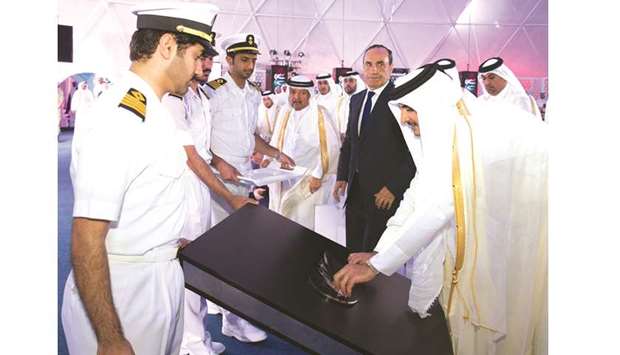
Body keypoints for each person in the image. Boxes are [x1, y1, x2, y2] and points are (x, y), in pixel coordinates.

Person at [333, 64, 548, 355]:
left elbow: (441, 205)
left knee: (500, 309)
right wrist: (379, 253)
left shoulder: (472, 133)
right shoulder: (449, 130)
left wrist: (377, 267)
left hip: (525, 226)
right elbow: (417, 194)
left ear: (430, 105)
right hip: (487, 224)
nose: (405, 118)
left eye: (409, 108)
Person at [62, 3, 221, 355]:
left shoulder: (156, 109)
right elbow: (87, 237)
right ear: (167, 46)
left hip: (159, 279)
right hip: (124, 294)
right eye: (196, 56)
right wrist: (109, 337)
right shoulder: (120, 116)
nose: (199, 69)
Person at [163, 50, 256, 355]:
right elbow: (189, 155)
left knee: (202, 260)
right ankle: (189, 343)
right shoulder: (174, 99)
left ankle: (199, 334)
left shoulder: (201, 94)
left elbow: (202, 147)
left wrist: (220, 161)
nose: (205, 65)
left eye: (208, 60)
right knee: (187, 264)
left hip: (203, 186)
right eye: (200, 58)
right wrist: (229, 195)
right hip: (183, 188)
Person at [208, 32, 295, 343]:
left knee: (233, 247)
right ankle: (234, 318)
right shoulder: (213, 92)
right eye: (244, 60)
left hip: (243, 175)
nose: (250, 65)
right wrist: (219, 163)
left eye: (253, 60)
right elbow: (200, 138)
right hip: (217, 177)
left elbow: (249, 137)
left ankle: (224, 307)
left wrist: (275, 153)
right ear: (228, 60)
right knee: (230, 249)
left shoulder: (253, 94)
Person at [332, 44, 416, 252]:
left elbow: (413, 152)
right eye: (369, 64)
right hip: (355, 190)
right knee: (352, 248)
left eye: (380, 64)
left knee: (376, 256)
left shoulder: (401, 101)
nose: (374, 70)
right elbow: (351, 142)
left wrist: (394, 188)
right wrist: (342, 176)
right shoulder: (357, 100)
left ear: (391, 67)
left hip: (383, 194)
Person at [261, 75, 340, 229]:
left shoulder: (320, 114)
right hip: (285, 175)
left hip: (309, 179)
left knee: (304, 219)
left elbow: (331, 148)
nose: (296, 97)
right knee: (282, 216)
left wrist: (318, 175)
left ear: (309, 94)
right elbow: (277, 138)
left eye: (302, 93)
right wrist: (267, 158)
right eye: (293, 92)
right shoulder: (285, 112)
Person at [478, 57, 543, 119]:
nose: (487, 83)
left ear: (504, 77)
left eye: (492, 77)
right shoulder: (481, 100)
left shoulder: (519, 100)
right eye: (483, 78)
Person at [334, 70, 366, 141]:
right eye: (345, 81)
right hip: (341, 139)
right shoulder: (340, 101)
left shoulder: (363, 101)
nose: (347, 84)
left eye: (351, 81)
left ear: (357, 83)